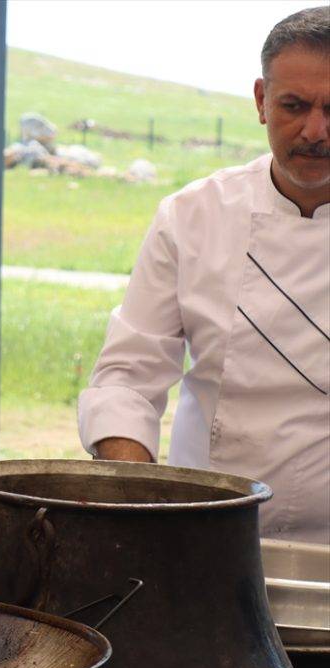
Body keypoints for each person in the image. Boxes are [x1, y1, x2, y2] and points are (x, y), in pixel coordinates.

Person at [78, 6, 329, 543]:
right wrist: (137, 494)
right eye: (295, 105)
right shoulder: (193, 215)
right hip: (209, 531)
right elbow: (128, 377)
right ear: (262, 101)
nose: (316, 130)